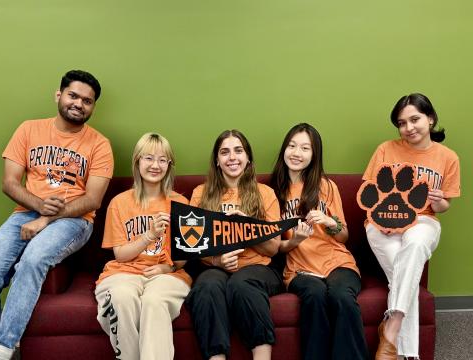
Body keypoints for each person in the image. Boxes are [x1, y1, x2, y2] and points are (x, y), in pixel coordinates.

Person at [0, 70, 114, 359]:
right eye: (73, 95)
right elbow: (9, 182)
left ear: (92, 107)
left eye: (87, 101)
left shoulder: (99, 144)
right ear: (58, 95)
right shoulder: (28, 130)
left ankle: (3, 349)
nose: (79, 104)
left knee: (33, 260)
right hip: (25, 213)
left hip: (74, 221)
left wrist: (47, 217)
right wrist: (38, 205)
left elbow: (92, 199)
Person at [362, 93, 460, 359]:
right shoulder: (385, 149)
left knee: (415, 244)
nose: (409, 128)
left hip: (423, 220)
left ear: (430, 118)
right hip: (382, 222)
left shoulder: (448, 157)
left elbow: (444, 206)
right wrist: (385, 216)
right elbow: (369, 191)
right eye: (402, 123)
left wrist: (438, 202)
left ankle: (391, 330)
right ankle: (407, 355)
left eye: (415, 119)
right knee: (406, 276)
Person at [270, 123, 368, 360]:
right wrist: (297, 239)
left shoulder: (326, 186)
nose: (296, 153)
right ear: (284, 149)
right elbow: (274, 245)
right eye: (292, 146)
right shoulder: (272, 191)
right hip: (299, 270)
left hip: (337, 262)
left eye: (305, 148)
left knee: (342, 297)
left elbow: (343, 236)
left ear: (314, 155)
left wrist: (328, 221)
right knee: (314, 296)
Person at [185, 130, 283, 360]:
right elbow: (192, 245)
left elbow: (273, 249)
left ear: (248, 158)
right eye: (225, 152)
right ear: (217, 161)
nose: (232, 158)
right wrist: (216, 261)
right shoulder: (201, 194)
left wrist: (246, 227)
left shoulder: (265, 193)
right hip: (215, 268)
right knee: (207, 286)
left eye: (238, 151)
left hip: (260, 268)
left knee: (242, 283)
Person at [95, 133, 191, 360]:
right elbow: (120, 255)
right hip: (123, 273)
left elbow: (181, 260)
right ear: (137, 162)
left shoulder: (181, 204)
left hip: (167, 276)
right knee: (121, 297)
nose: (155, 165)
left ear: (169, 165)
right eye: (148, 158)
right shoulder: (119, 203)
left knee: (154, 300)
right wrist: (149, 235)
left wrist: (166, 269)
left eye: (162, 160)